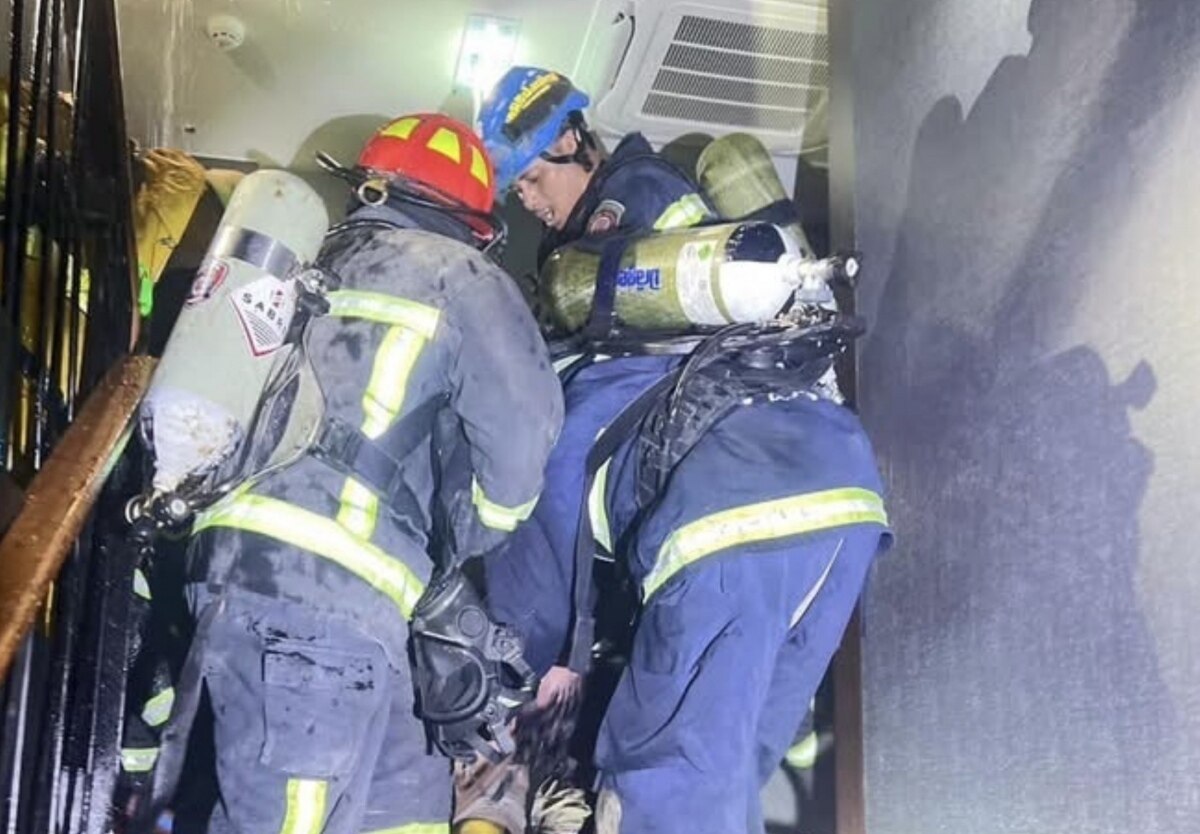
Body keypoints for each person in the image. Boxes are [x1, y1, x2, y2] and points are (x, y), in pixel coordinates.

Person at [478, 67, 892, 834]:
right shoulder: (683, 357)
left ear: (574, 139)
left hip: (731, 522)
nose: (528, 201)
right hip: (845, 494)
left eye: (533, 178)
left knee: (660, 786)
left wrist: (518, 678)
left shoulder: (622, 223)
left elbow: (535, 562)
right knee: (730, 780)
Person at [171, 113, 563, 834]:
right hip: (323, 597)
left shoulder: (302, 264)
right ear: (475, 224)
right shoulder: (462, 274)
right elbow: (520, 445)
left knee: (406, 807)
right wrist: (465, 543)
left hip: (287, 589)